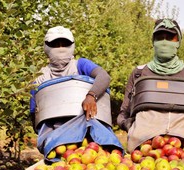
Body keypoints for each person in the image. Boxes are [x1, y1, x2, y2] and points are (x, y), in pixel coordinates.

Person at [117, 18, 184, 154]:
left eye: (170, 38)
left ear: (178, 41)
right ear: (153, 42)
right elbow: (123, 113)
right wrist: (129, 125)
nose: (164, 42)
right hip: (145, 145)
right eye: (160, 38)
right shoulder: (139, 73)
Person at [30, 26, 123, 161]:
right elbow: (35, 114)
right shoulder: (40, 77)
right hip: (58, 140)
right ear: (47, 47)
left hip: (87, 132)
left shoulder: (80, 65)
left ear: (72, 46)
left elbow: (103, 76)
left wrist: (91, 95)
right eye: (56, 44)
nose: (61, 48)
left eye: (65, 44)